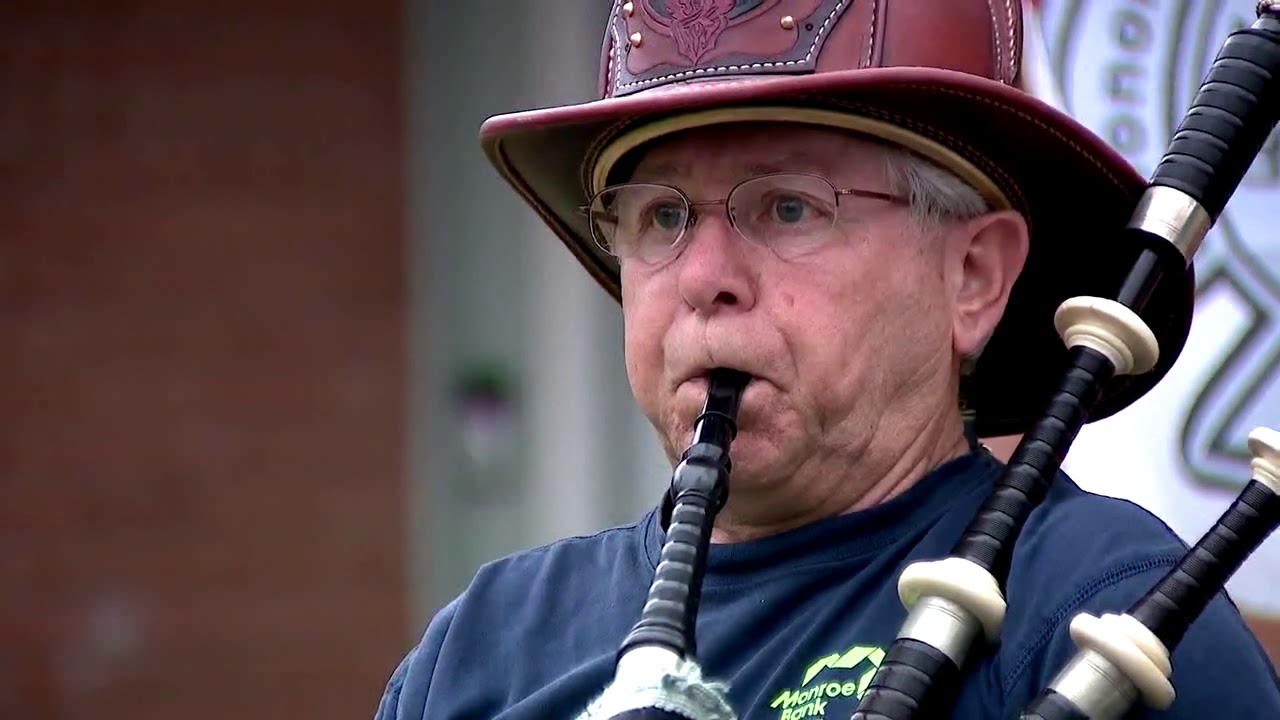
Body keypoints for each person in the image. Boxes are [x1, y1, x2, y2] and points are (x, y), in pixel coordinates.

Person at [375, 1, 1280, 718]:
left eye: (787, 207)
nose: (705, 279)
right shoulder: (481, 653)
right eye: (661, 215)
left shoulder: (1104, 617)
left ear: (972, 277)